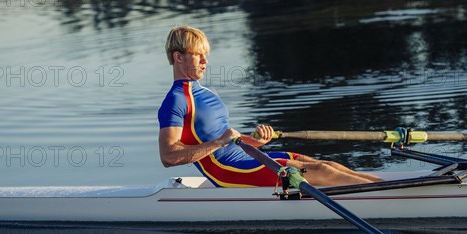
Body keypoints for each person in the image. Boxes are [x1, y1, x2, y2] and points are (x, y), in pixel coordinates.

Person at [158, 25, 382, 187]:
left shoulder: (208, 92)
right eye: (198, 56)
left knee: (324, 163)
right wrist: (219, 142)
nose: (205, 61)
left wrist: (254, 141)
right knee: (322, 171)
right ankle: (385, 197)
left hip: (248, 156)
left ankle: (400, 189)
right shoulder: (176, 100)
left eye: (206, 55)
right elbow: (168, 157)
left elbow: (228, 137)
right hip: (227, 171)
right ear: (178, 57)